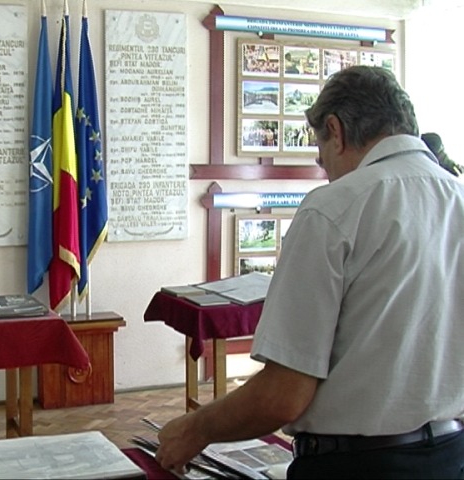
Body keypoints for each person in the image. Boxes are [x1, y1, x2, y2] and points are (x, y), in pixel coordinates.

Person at [155, 65, 464, 479]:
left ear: (335, 130)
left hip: (356, 466)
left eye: (322, 160)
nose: (326, 173)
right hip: (452, 456)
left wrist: (193, 429)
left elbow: (284, 395)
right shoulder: (458, 199)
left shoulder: (333, 208)